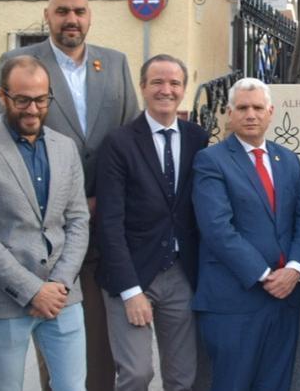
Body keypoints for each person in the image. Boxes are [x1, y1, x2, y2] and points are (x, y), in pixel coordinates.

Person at [0, 0, 139, 391]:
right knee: (54, 334)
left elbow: (128, 141)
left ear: (89, 16)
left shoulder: (115, 63)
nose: (71, 19)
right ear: (47, 15)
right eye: (62, 11)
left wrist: (105, 202)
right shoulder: (18, 61)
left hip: (104, 221)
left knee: (101, 337)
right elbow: (0, 144)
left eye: (79, 11)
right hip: (46, 227)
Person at [0, 55, 90, 391]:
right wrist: (32, 291)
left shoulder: (66, 148)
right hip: (5, 297)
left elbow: (77, 221)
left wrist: (57, 285)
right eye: (22, 100)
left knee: (73, 387)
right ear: (2, 97)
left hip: (63, 296)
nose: (33, 109)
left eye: (41, 99)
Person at [190, 77, 300, 390]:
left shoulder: (287, 160)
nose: (251, 114)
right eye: (243, 108)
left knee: (276, 385)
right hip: (234, 302)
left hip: (284, 300)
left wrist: (294, 271)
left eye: (258, 107)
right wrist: (264, 275)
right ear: (229, 114)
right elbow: (217, 229)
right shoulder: (211, 161)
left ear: (270, 112)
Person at [95, 55, 208, 391]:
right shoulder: (119, 143)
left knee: (183, 377)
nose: (166, 90)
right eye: (157, 82)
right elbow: (109, 222)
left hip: (181, 273)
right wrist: (131, 292)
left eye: (174, 83)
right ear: (143, 87)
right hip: (131, 273)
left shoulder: (197, 139)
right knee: (136, 373)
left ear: (184, 89)